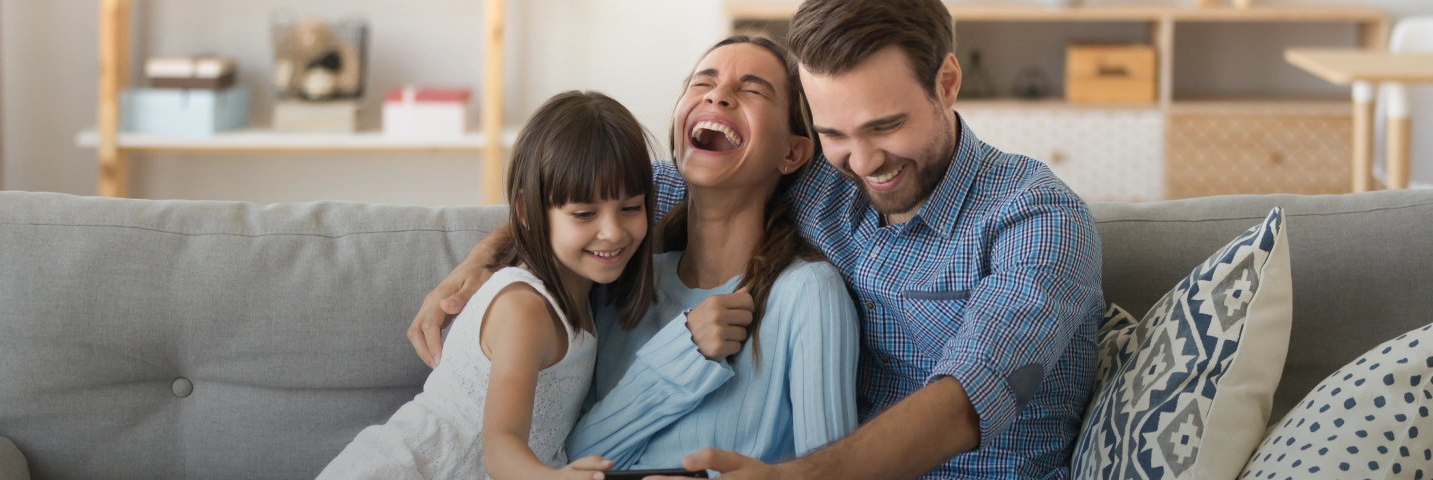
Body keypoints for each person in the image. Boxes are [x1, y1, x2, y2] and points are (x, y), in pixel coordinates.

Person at [412, 0, 1105, 477]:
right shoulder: (825, 182)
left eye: (883, 127)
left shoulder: (1035, 220)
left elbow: (964, 402)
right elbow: (596, 191)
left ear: (947, 82)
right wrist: (484, 263)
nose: (862, 161)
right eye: (835, 133)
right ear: (805, 144)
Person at [321, 90, 658, 480]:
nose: (613, 231)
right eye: (584, 214)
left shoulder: (582, 294)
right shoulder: (524, 308)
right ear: (526, 211)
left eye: (631, 208)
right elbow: (501, 449)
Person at [562, 36, 859, 469]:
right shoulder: (622, 276)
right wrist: (684, 350)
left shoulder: (807, 294)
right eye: (703, 84)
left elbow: (836, 476)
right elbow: (570, 458)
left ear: (792, 152)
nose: (719, 95)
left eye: (753, 89)